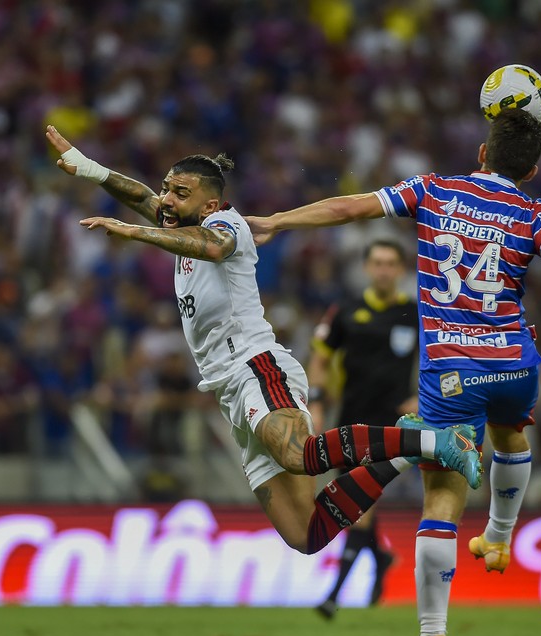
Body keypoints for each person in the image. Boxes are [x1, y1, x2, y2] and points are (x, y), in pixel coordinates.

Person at [247, 108, 541, 636]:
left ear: (481, 153)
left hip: (452, 372)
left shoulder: (433, 190)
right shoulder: (535, 211)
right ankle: (499, 535)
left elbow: (349, 206)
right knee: (510, 434)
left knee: (442, 497)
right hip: (516, 365)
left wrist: (279, 220)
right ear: (531, 171)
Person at [44, 125, 482, 558]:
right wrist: (89, 169)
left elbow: (213, 248)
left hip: (257, 365)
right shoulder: (182, 219)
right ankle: (405, 451)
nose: (167, 200)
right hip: (227, 387)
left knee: (299, 455)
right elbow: (142, 197)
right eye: (167, 189)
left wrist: (134, 233)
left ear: (210, 202)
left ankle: (437, 442)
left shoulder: (224, 223)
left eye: (179, 192)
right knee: (306, 534)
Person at [310, 239, 418, 619]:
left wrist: (422, 398)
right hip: (349, 423)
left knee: (360, 506)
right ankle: (381, 558)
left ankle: (333, 596)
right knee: (358, 504)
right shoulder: (346, 311)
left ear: (401, 269)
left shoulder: (414, 314)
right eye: (378, 263)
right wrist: (316, 401)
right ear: (367, 268)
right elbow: (320, 359)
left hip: (392, 429)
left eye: (391, 263)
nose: (384, 270)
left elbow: (441, 362)